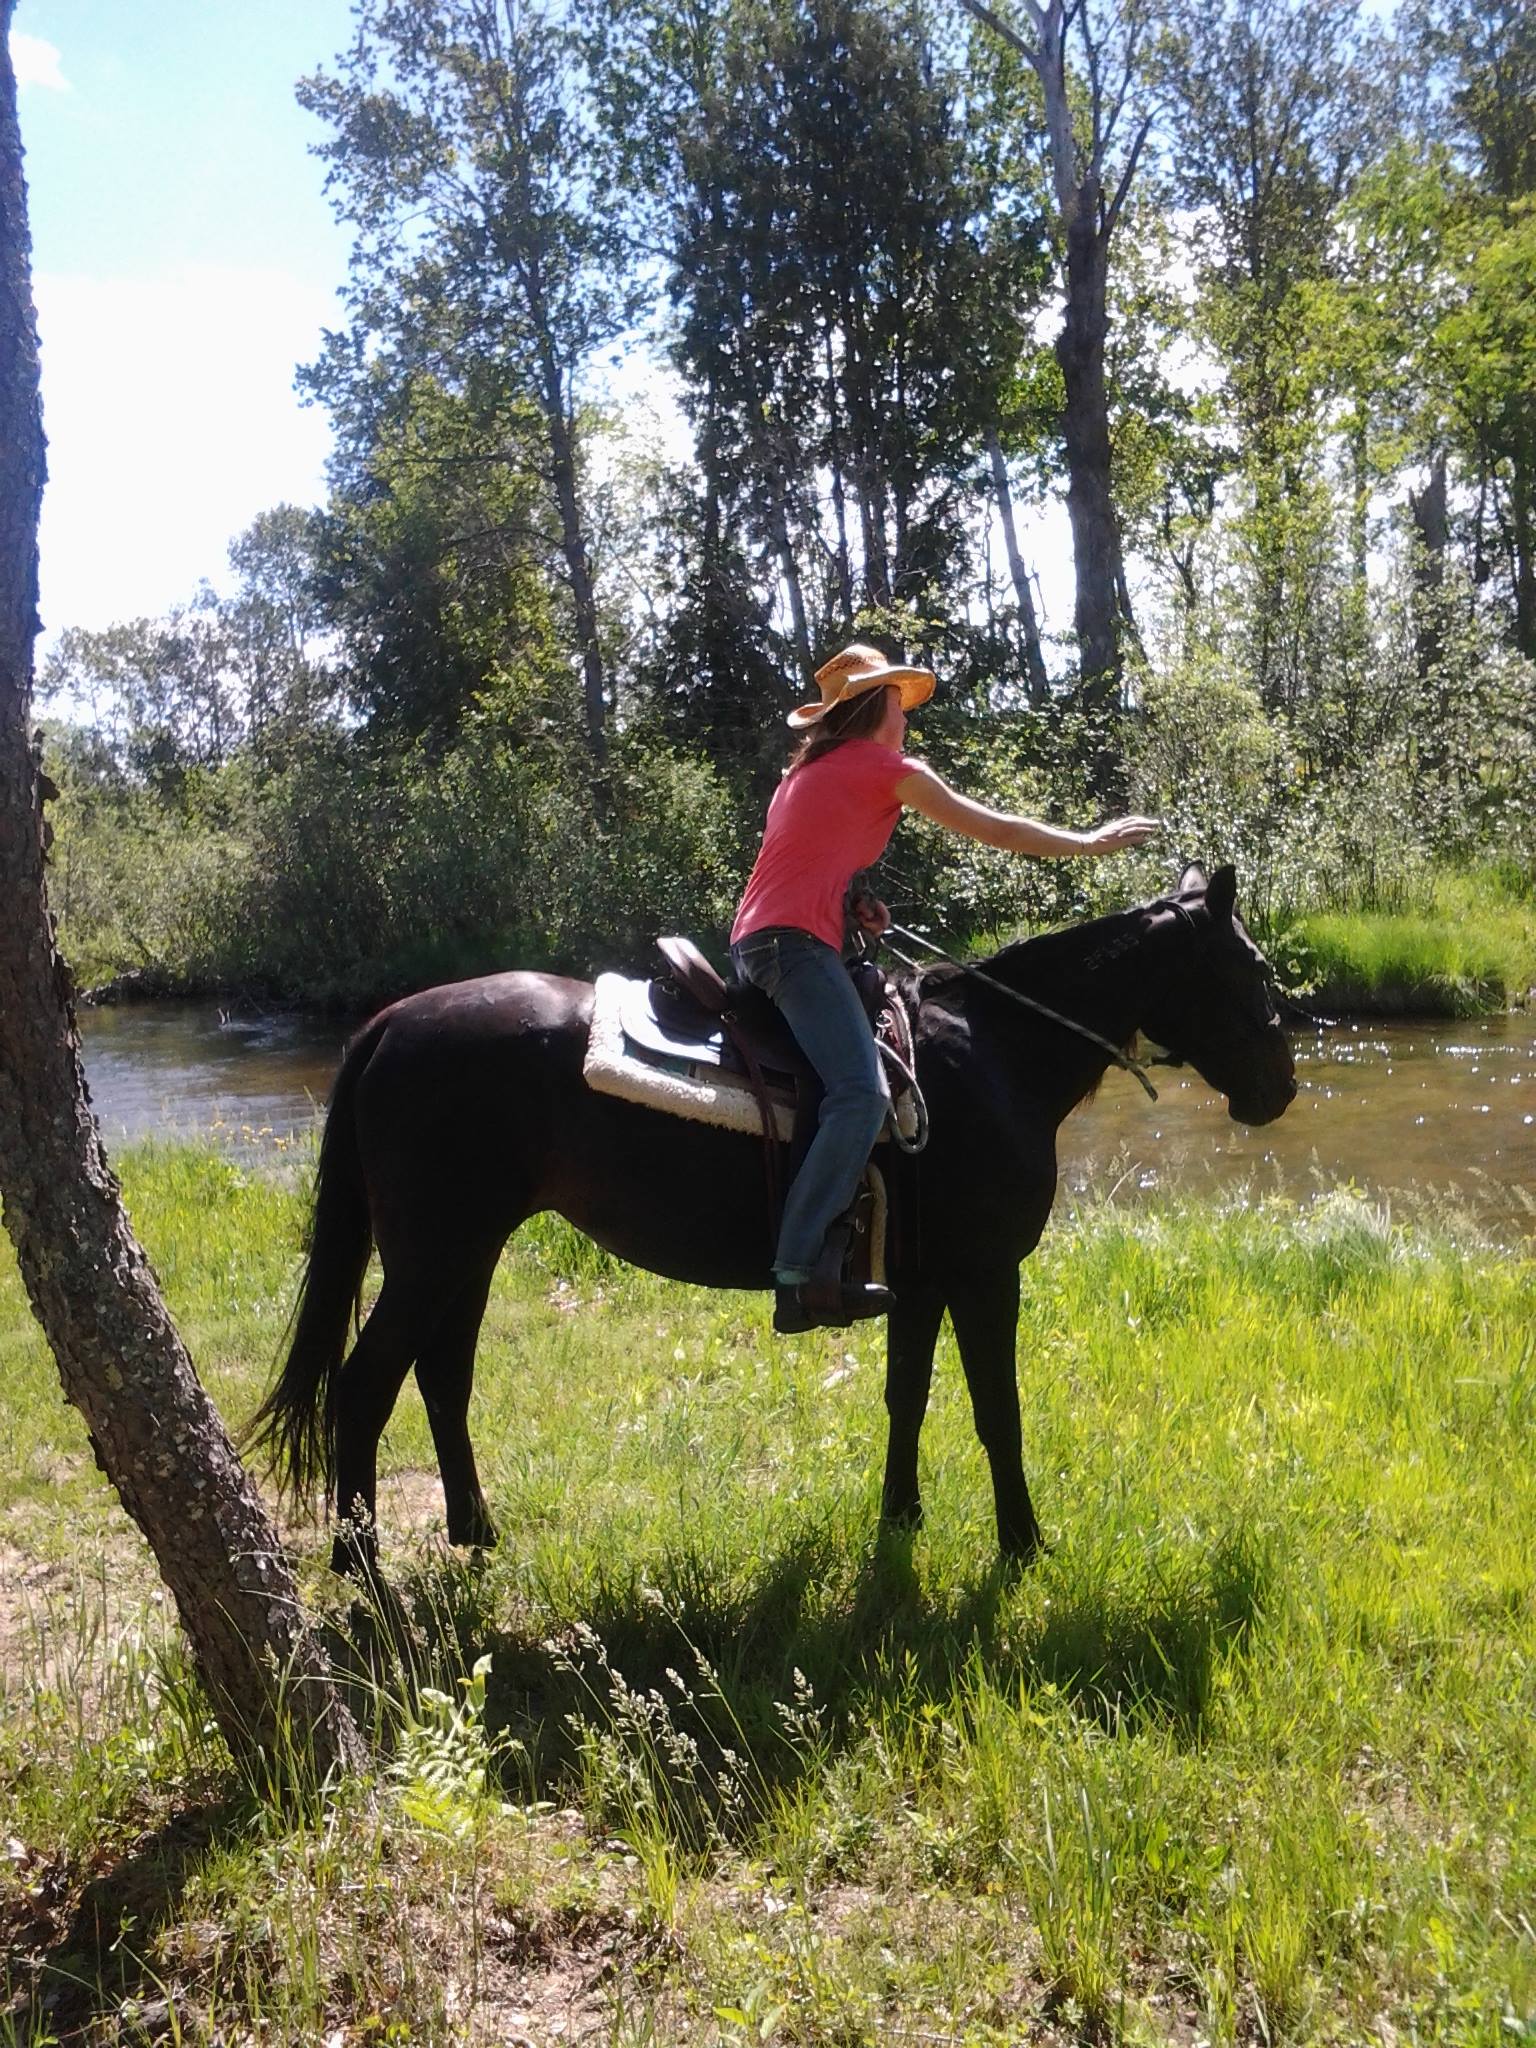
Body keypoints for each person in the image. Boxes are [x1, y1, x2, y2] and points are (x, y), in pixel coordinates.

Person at [730, 642, 1160, 1335]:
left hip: (759, 943)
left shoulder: (807, 771)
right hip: (792, 949)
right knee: (860, 1093)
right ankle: (799, 1268)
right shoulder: (885, 767)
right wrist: (1089, 842)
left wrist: (849, 904)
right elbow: (993, 827)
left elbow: (800, 862)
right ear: (877, 708)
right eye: (898, 704)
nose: (906, 720)